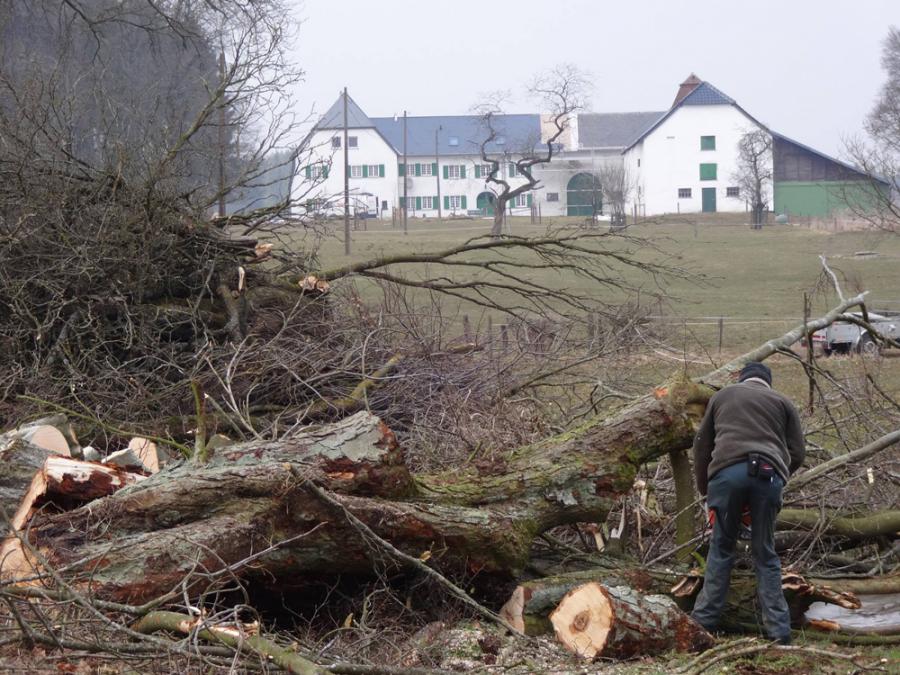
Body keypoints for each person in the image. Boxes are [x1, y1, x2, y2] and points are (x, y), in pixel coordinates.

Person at [690, 361, 805, 644]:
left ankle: (702, 625)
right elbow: (798, 452)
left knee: (721, 548)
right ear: (768, 382)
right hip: (768, 476)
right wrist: (779, 476)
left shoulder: (722, 395)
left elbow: (702, 445)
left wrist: (706, 490)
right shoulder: (783, 402)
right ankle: (779, 633)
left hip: (726, 476)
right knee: (765, 553)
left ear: (742, 379)